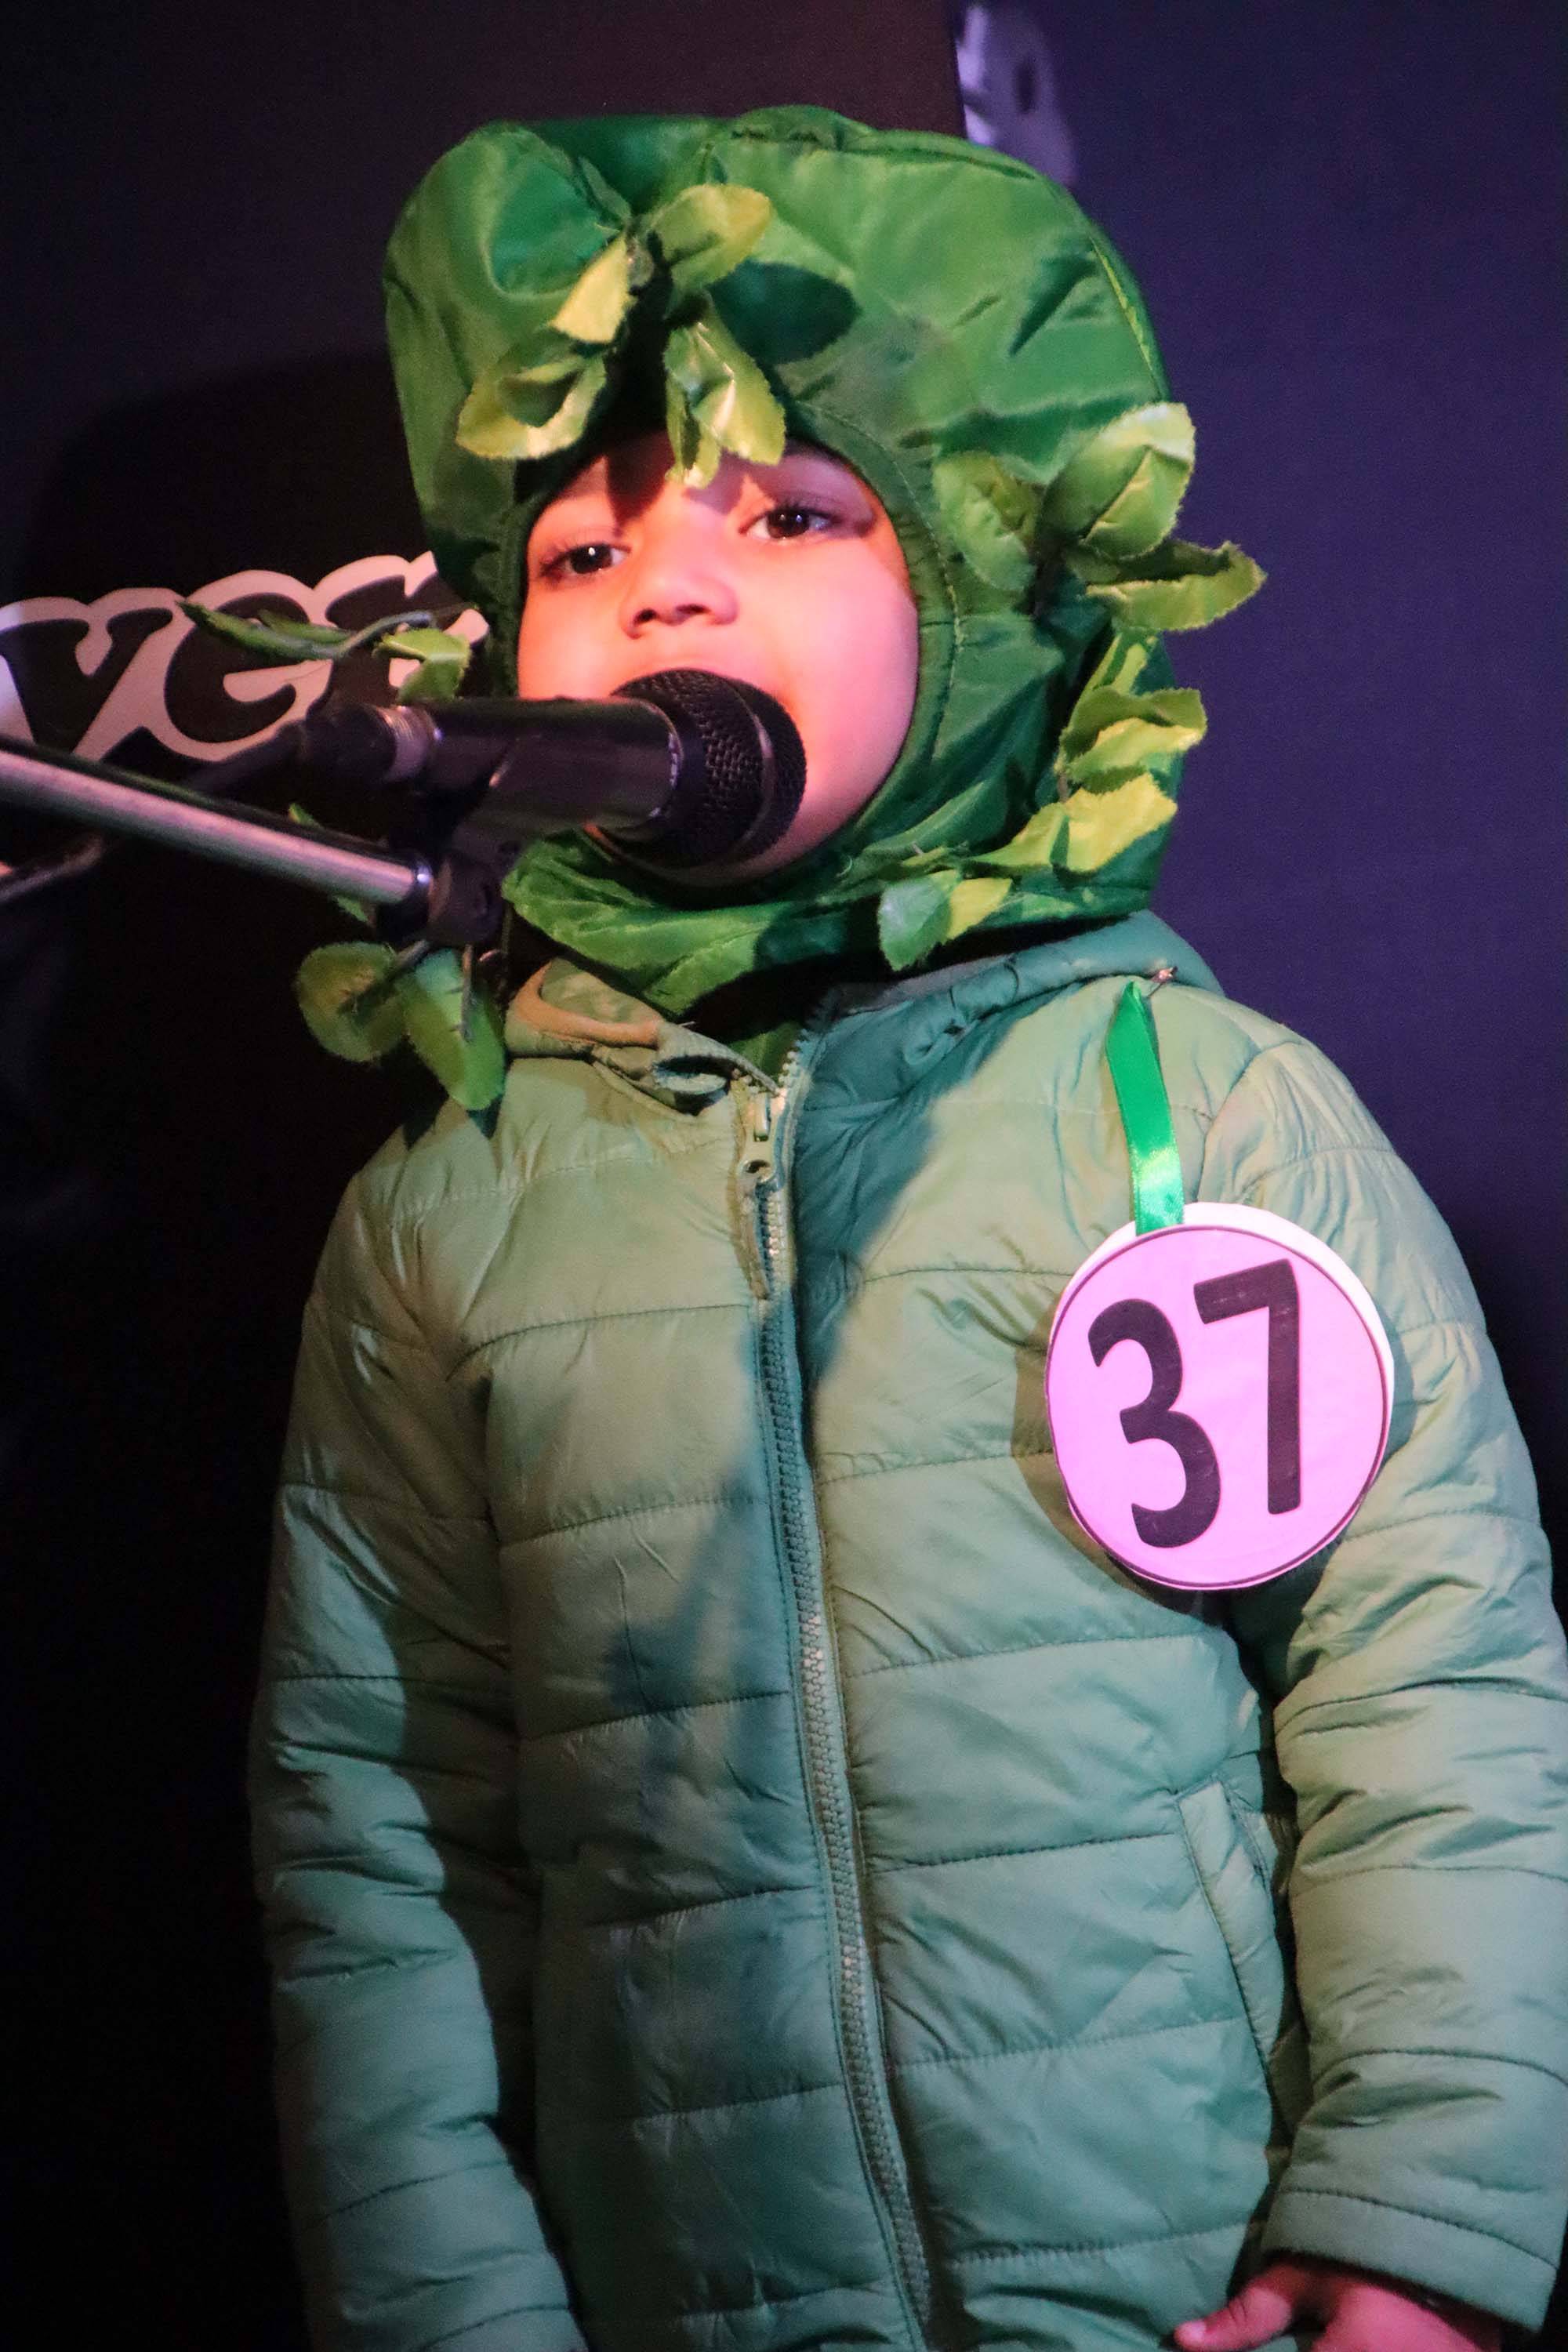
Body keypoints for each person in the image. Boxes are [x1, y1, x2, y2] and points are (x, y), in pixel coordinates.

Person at [251, 109, 1568, 2352]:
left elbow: (1429, 1693)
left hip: (1188, 2296)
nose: (663, 590)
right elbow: (378, 1842)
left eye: (787, 512)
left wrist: (1418, 2220)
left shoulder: (1210, 1108)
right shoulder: (445, 1214)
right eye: (577, 550)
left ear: (974, 604)